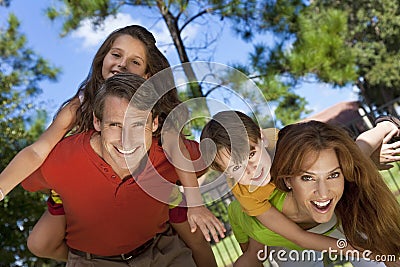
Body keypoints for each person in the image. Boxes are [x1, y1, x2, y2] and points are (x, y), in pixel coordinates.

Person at [0, 25, 223, 266]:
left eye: (135, 62)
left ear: (148, 76)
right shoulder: (81, 105)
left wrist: (196, 204)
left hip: (143, 190)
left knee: (190, 235)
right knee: (39, 242)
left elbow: (177, 148)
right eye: (116, 55)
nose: (122, 64)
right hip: (83, 188)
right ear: (103, 57)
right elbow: (36, 151)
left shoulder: (154, 113)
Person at [21, 72, 196, 266]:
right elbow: (29, 179)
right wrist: (65, 192)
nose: (126, 139)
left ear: (154, 123)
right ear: (98, 122)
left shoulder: (172, 153)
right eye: (115, 125)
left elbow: (219, 155)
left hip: (160, 252)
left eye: (137, 125)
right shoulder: (63, 159)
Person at [200, 111, 400, 266]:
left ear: (263, 139)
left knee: (356, 158)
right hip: (293, 228)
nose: (251, 170)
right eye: (236, 167)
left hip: (328, 202)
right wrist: (357, 250)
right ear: (226, 174)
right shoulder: (246, 192)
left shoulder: (285, 146)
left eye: (251, 154)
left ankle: (384, 126)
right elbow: (300, 238)